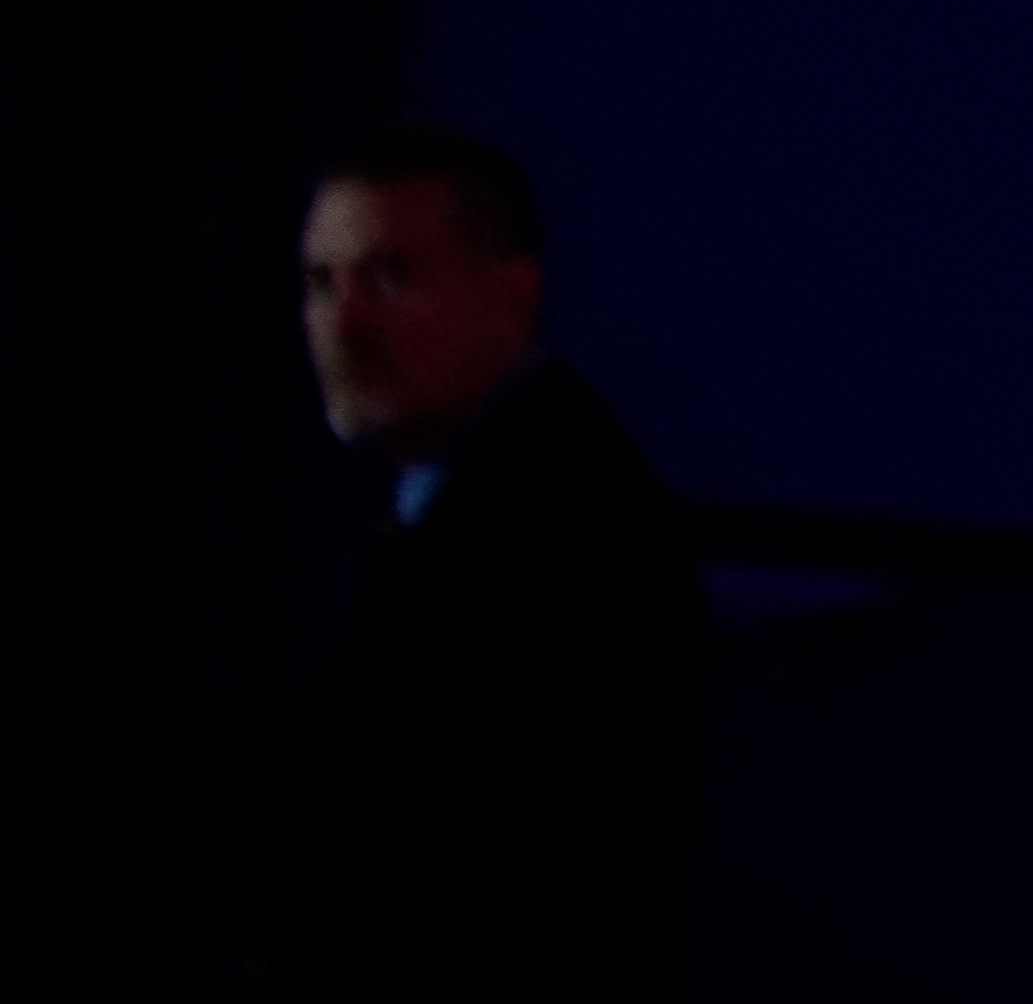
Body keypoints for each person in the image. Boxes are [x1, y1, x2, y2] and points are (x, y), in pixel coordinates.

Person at [263, 124, 705, 1000]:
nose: (344, 324)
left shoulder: (565, 540)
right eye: (321, 284)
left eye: (391, 277)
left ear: (510, 298)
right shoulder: (446, 513)